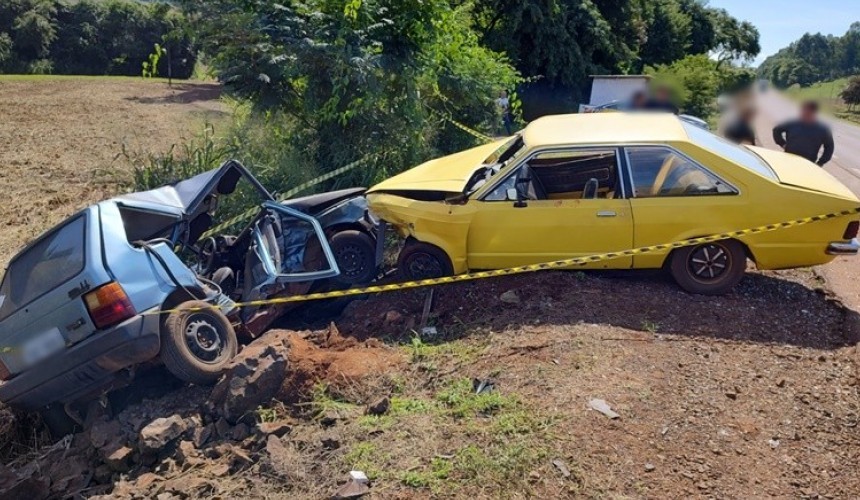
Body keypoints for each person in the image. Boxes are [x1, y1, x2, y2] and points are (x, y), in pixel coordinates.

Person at [772, 100, 834, 167]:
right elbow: (776, 130)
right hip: (788, 159)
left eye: (807, 113)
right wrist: (782, 144)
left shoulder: (823, 130)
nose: (804, 114)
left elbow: (829, 147)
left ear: (814, 113)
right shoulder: (792, 123)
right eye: (803, 111)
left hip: (807, 164)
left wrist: (821, 163)